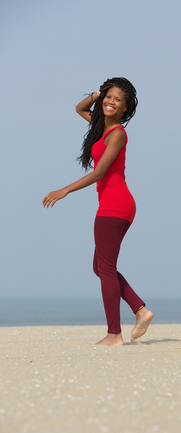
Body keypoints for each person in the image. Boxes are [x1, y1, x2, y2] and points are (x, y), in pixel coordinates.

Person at [42, 77, 153, 346]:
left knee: (105, 268)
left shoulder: (117, 134)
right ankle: (140, 309)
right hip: (112, 204)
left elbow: (100, 171)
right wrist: (97, 94)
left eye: (118, 100)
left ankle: (114, 334)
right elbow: (80, 109)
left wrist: (65, 190)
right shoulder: (100, 127)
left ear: (126, 109)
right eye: (109, 97)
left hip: (116, 204)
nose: (111, 102)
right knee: (101, 267)